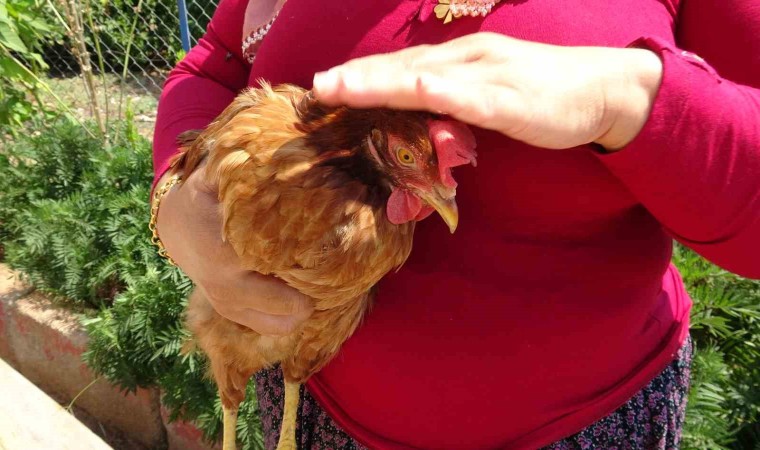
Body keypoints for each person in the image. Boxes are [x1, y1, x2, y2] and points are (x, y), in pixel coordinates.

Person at [152, 0, 760, 448]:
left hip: (584, 427)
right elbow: (214, 65)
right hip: (313, 406)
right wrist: (175, 201)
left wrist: (628, 100)